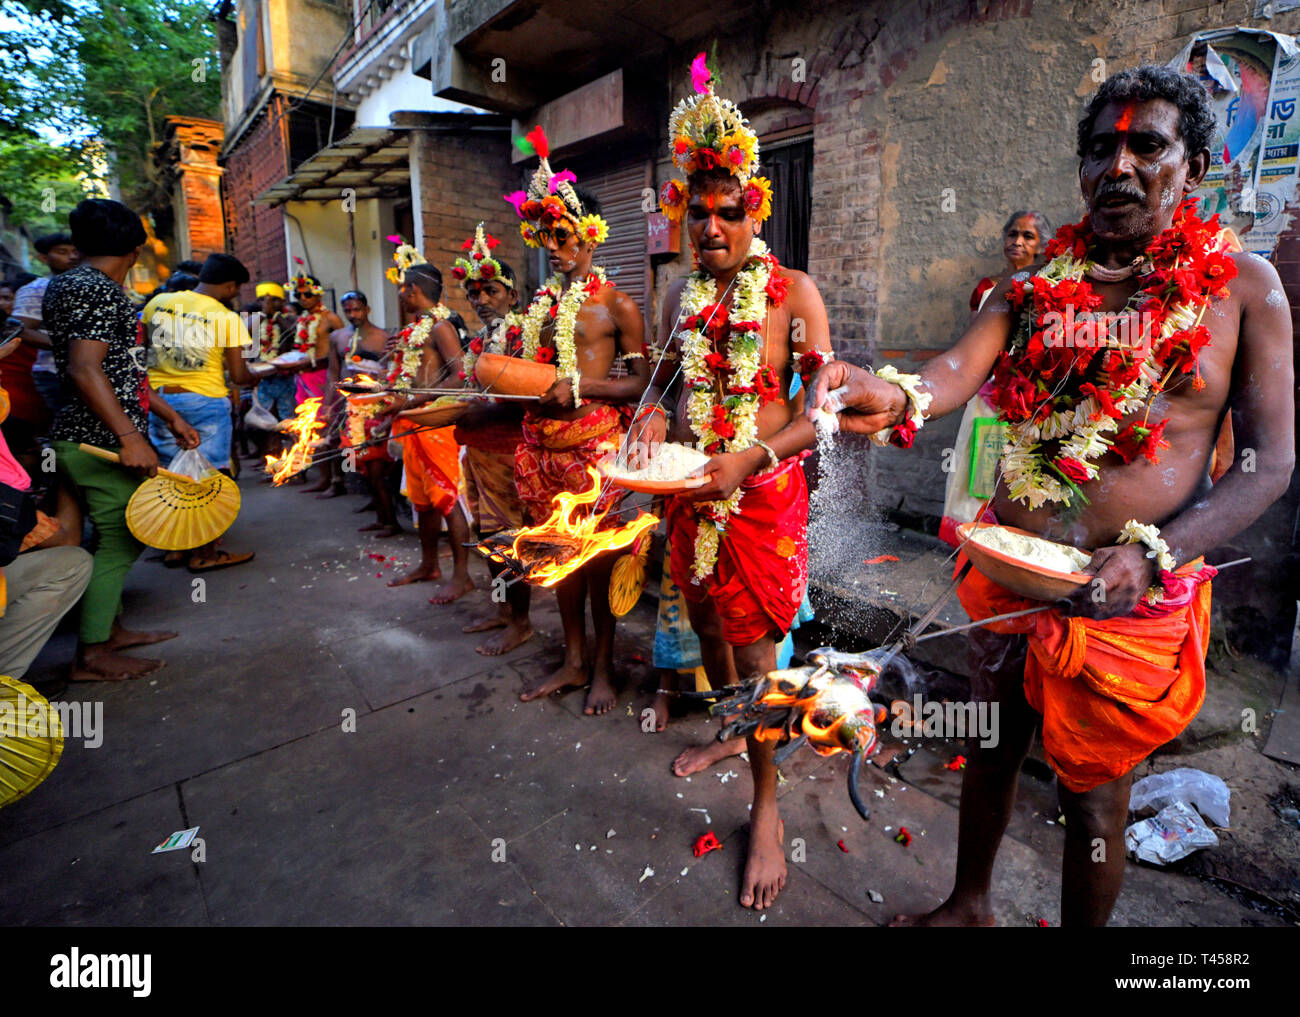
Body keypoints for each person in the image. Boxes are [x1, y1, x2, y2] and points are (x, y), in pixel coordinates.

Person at [807, 65, 1295, 927]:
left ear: (1196, 165)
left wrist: (1155, 553)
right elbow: (957, 368)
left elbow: (1271, 462)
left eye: (1148, 145)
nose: (1120, 166)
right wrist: (900, 396)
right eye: (1100, 148)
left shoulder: (1244, 289)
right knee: (989, 744)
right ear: (1080, 169)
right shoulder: (1028, 288)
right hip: (1007, 575)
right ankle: (970, 903)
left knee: (1096, 803)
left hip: (1128, 604)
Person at [637, 57, 834, 910]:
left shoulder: (795, 293)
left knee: (759, 656)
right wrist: (649, 422)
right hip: (691, 491)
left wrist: (756, 457)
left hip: (761, 499)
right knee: (705, 618)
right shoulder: (681, 295)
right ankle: (731, 731)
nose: (710, 226)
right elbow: (667, 386)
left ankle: (765, 805)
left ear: (756, 210)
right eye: (697, 211)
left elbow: (822, 413)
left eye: (728, 211)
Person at [502, 127, 650, 714]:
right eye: (545, 238)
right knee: (556, 557)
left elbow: (643, 384)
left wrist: (583, 387)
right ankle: (572, 660)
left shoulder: (618, 304)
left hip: (594, 451)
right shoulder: (538, 307)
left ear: (590, 237)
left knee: (599, 560)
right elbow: (528, 375)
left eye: (563, 237)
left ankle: (605, 669)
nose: (554, 249)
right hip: (540, 450)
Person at [47, 198, 202, 681]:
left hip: (75, 435)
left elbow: (119, 371)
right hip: (98, 441)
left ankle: (109, 631)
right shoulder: (102, 292)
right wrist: (131, 437)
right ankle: (92, 653)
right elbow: (85, 368)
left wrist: (169, 414)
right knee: (123, 539)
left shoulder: (65, 284)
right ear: (135, 250)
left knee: (92, 541)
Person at [142, 252, 258, 572]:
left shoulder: (158, 303)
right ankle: (205, 553)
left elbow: (144, 352)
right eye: (236, 289)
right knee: (208, 478)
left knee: (174, 475)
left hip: (162, 402)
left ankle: (176, 548)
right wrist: (257, 375)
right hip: (206, 402)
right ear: (230, 285)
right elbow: (237, 375)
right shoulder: (226, 317)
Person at [450, 225, 533, 654]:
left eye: (490, 291)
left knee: (507, 540)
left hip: (510, 452)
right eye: (474, 292)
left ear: (513, 296)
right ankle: (502, 611)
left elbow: (534, 398)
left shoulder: (527, 337)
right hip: (478, 449)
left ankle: (520, 622)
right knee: (487, 537)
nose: (480, 300)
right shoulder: (479, 342)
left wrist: (481, 408)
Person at [385, 253, 472, 579]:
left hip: (435, 422)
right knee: (423, 501)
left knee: (448, 497)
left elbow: (460, 375)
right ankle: (429, 565)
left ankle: (462, 578)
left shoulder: (440, 326)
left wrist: (413, 401)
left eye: (401, 288)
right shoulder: (417, 329)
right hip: (414, 421)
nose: (399, 295)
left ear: (411, 290)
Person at [331, 289, 395, 514]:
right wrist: (332, 404)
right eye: (347, 310)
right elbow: (334, 372)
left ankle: (388, 516)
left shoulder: (383, 337)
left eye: (357, 309)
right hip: (350, 406)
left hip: (374, 409)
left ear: (367, 309)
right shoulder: (337, 337)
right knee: (356, 459)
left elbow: (391, 375)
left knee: (377, 464)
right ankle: (377, 508)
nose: (352, 314)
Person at [285, 272, 344, 492]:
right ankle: (323, 477)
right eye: (298, 295)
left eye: (307, 294)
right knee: (308, 428)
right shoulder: (302, 319)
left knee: (328, 429)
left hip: (323, 377)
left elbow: (342, 350)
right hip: (304, 378)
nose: (303, 299)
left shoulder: (331, 318)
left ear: (318, 294)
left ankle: (337, 480)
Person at [13, 231, 80, 417]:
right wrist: (73, 345)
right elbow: (20, 329)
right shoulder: (37, 289)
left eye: (75, 251)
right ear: (44, 258)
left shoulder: (89, 285)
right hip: (54, 374)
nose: (72, 256)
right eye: (63, 251)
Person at [969, 210, 1051, 311]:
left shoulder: (1047, 285)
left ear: (1041, 246)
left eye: (1028, 236)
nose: (1017, 242)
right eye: (1012, 234)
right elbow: (977, 325)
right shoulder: (987, 286)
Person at [250, 281, 298, 422]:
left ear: (283, 302)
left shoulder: (289, 319)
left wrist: (276, 316)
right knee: (263, 421)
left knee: (289, 421)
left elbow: (294, 333)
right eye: (263, 300)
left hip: (286, 379)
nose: (268, 304)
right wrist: (264, 314)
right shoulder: (254, 320)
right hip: (262, 380)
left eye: (274, 300)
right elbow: (243, 332)